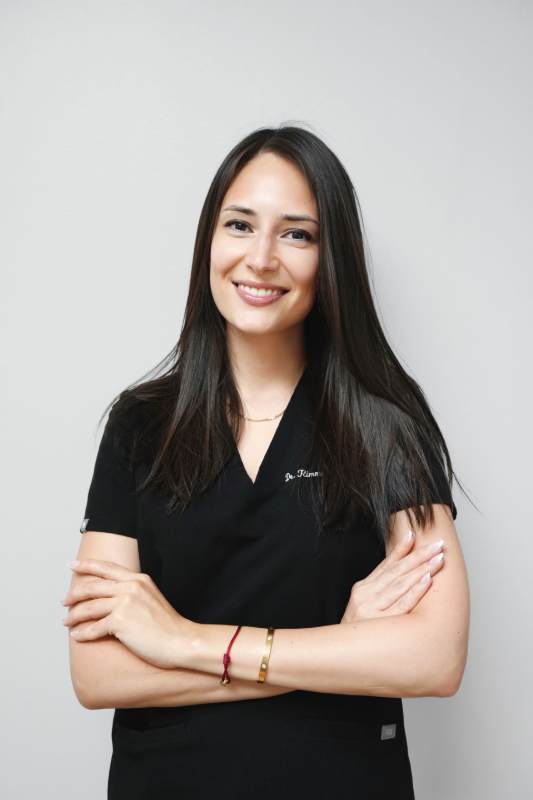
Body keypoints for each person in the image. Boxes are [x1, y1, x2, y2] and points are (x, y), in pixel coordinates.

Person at [62, 124, 470, 800]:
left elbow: (433, 658)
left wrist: (186, 642)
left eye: (296, 234)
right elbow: (98, 674)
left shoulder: (384, 427)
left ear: (329, 257)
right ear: (209, 243)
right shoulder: (140, 426)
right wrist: (334, 647)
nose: (260, 258)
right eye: (239, 225)